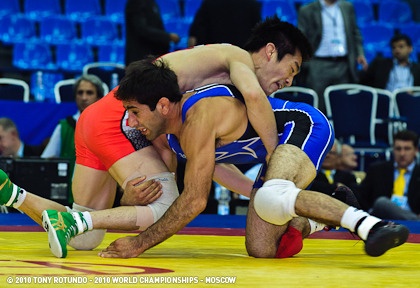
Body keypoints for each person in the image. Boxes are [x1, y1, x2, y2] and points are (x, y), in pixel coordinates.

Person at [44, 58, 407, 260]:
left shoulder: (198, 117)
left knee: (269, 197)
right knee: (262, 247)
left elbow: (195, 200)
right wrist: (129, 200)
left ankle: (371, 226)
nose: (132, 122)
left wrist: (140, 243)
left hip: (301, 126)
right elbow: (223, 175)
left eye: (136, 112)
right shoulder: (171, 136)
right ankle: (324, 216)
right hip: (267, 152)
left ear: (164, 105)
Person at [0, 17, 300, 257]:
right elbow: (253, 96)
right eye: (292, 68)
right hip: (123, 119)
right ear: (270, 51)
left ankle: (11, 193)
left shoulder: (208, 96)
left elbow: (210, 164)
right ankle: (73, 219)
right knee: (165, 208)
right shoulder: (237, 59)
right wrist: (275, 155)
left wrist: (260, 194)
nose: (289, 81)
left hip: (98, 119)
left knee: (85, 239)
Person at [41, 75, 104, 203]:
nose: (84, 97)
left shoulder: (106, 126)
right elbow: (46, 161)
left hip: (99, 196)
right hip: (67, 197)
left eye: (89, 93)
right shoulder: (64, 126)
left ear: (99, 97)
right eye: (80, 93)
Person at [297, 0, 368, 113]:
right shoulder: (307, 10)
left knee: (343, 107)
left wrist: (360, 53)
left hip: (343, 65)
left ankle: (343, 131)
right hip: (318, 65)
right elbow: (301, 37)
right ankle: (319, 130)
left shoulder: (347, 7)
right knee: (318, 107)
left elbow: (355, 32)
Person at [358, 130, 420, 221]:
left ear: (416, 151)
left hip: (411, 220)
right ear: (393, 150)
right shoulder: (377, 170)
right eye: (398, 149)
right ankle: (415, 220)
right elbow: (361, 197)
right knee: (381, 203)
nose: (402, 154)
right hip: (382, 220)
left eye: (407, 149)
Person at [124, 0, 180, 66]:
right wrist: (168, 36)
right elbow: (142, 29)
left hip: (154, 57)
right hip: (140, 57)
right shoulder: (136, 2)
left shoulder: (152, 3)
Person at [188, 0, 261, 48]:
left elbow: (193, 38)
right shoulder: (253, 5)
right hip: (243, 61)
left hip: (213, 61)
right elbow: (259, 36)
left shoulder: (208, 4)